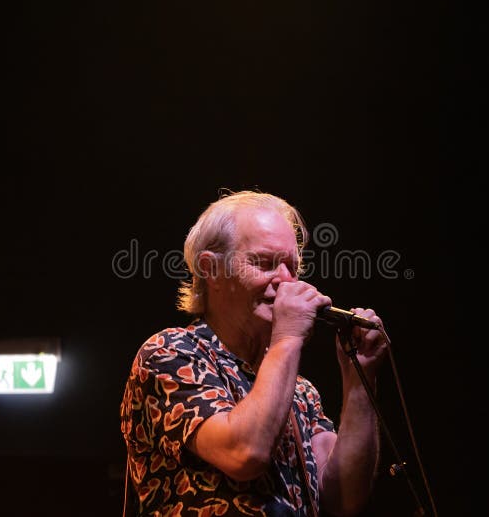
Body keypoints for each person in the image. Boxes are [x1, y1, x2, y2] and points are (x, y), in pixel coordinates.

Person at [120, 190, 389, 516]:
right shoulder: (170, 353)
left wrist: (359, 379)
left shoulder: (300, 390)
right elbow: (244, 453)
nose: (287, 282)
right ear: (211, 269)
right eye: (265, 263)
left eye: (292, 267)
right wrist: (288, 337)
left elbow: (344, 500)